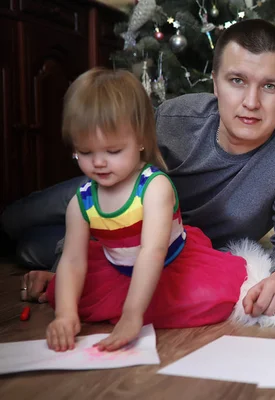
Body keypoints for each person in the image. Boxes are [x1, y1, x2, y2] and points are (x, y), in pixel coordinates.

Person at [3, 19, 275, 317]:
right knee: (12, 220)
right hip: (108, 202)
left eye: (270, 86)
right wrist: (65, 265)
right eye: (237, 80)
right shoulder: (175, 120)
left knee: (29, 249)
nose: (251, 102)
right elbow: (111, 188)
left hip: (162, 246)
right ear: (215, 84)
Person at [45, 68, 248, 352]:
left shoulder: (153, 187)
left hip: (167, 264)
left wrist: (132, 315)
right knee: (63, 292)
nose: (99, 163)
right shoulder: (81, 202)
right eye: (86, 152)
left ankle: (135, 308)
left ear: (140, 140)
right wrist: (65, 315)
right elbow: (73, 261)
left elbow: (152, 252)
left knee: (211, 298)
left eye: (113, 151)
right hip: (118, 268)